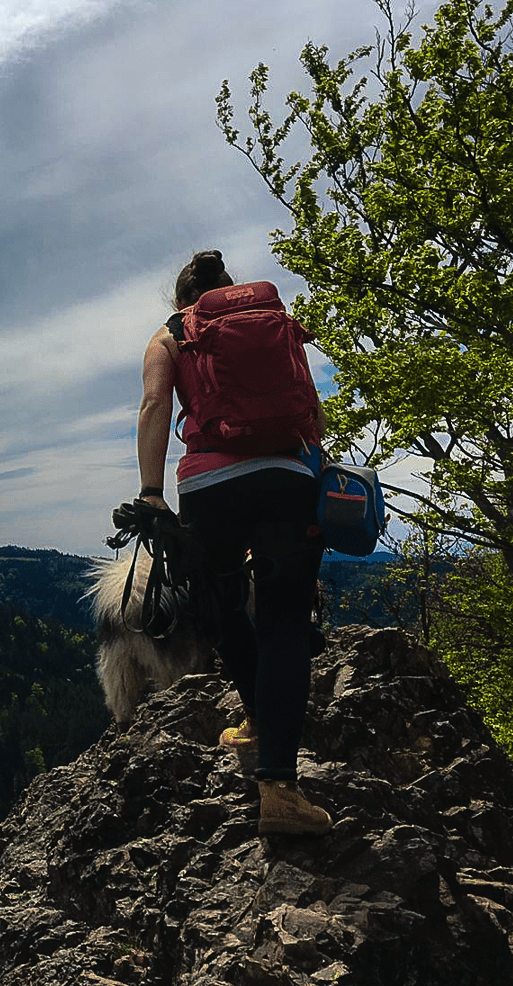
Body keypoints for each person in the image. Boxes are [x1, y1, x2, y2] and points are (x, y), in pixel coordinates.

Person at [135, 249, 331, 836]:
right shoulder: (274, 323)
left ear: (182, 300)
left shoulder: (170, 336)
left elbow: (154, 406)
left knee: (222, 610)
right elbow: (310, 406)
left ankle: (255, 716)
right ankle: (279, 785)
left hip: (209, 487)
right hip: (285, 476)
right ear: (230, 290)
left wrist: (150, 491)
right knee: (285, 622)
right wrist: (311, 471)